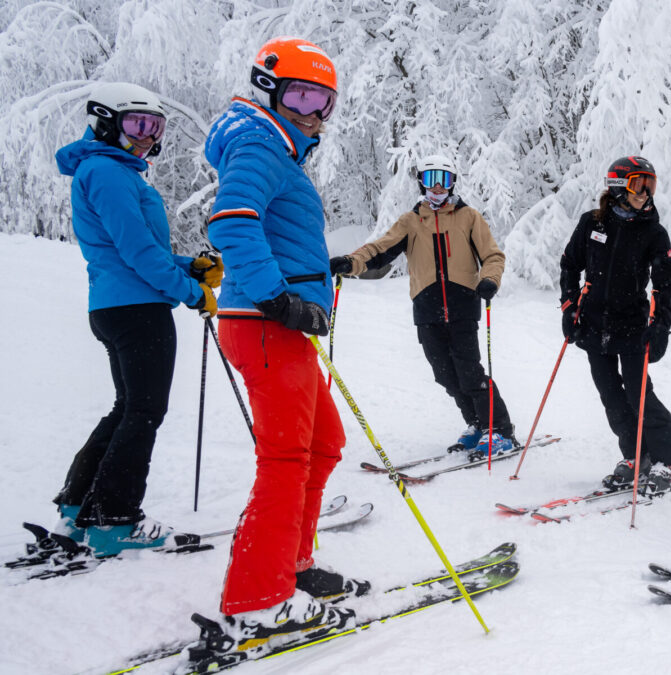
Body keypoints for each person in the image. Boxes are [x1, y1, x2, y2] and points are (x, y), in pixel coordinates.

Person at [201, 37, 364, 648]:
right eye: (299, 94)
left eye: (324, 100)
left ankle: (290, 565)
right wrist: (277, 296)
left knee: (324, 445)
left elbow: (265, 226)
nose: (312, 111)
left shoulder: (278, 148)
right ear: (268, 89)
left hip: (281, 325)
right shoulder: (260, 141)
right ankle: (258, 600)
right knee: (286, 460)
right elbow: (231, 220)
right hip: (267, 324)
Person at [51, 82, 219, 558]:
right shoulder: (107, 172)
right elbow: (139, 252)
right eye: (137, 124)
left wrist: (190, 266)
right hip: (137, 311)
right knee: (144, 411)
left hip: (117, 305)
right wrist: (191, 292)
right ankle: (113, 519)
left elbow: (136, 250)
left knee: (128, 408)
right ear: (106, 122)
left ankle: (80, 505)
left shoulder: (110, 171)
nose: (147, 136)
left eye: (155, 127)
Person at [330, 155, 516, 458]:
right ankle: (477, 424)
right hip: (427, 306)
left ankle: (499, 431)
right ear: (422, 183)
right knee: (445, 374)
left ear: (453, 182)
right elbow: (380, 249)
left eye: (444, 179)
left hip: (462, 304)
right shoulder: (411, 221)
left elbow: (493, 256)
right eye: (431, 179)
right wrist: (352, 262)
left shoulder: (469, 217)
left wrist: (490, 280)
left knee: (470, 372)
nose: (438, 187)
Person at [559, 156, 671, 493]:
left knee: (638, 394)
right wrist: (569, 307)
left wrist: (660, 326)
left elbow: (667, 284)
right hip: (592, 325)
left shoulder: (653, 232)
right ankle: (636, 456)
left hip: (632, 327)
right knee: (611, 396)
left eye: (650, 185)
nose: (644, 193)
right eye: (637, 184)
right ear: (617, 187)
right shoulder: (593, 224)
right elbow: (570, 265)